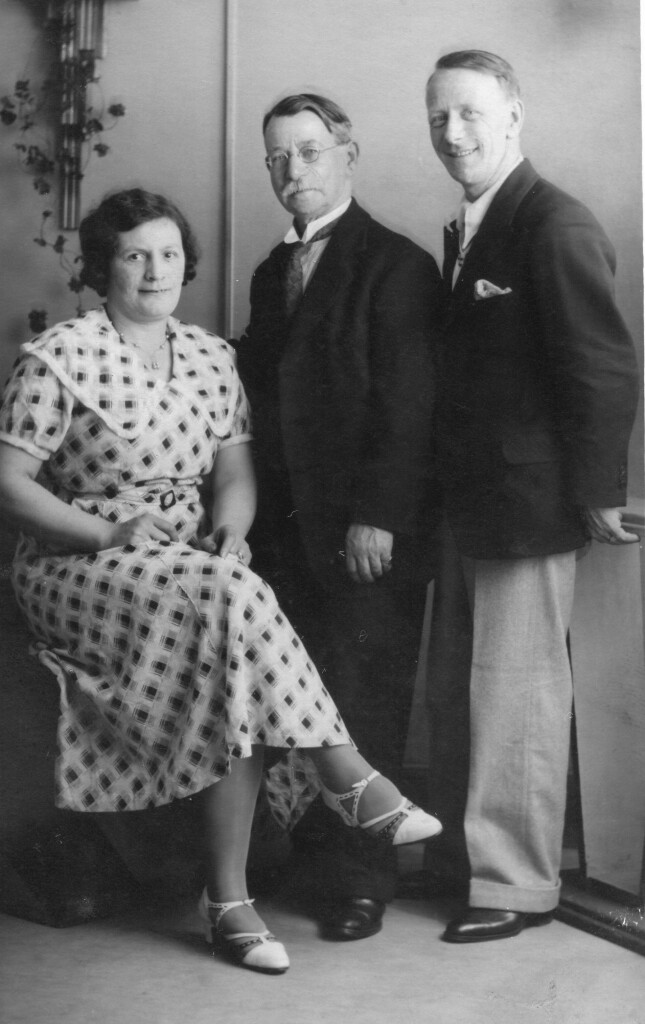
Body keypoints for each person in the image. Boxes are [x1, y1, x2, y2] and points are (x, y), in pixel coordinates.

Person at [0, 187, 443, 974]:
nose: (155, 270)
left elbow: (235, 474)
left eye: (169, 254)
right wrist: (109, 532)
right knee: (231, 599)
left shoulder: (209, 358)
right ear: (102, 267)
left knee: (228, 626)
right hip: (78, 561)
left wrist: (232, 531)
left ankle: (230, 903)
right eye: (134, 255)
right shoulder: (59, 355)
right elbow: (9, 484)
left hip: (188, 565)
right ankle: (342, 777)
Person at [423, 50, 639, 942]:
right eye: (438, 117)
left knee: (517, 696)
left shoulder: (552, 222)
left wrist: (595, 493)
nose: (452, 133)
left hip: (529, 504)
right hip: (474, 501)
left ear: (513, 117)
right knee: (476, 694)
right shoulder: (474, 223)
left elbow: (601, 367)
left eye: (470, 114)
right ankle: (475, 866)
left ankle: (515, 887)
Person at [234, 94, 443, 940]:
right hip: (285, 534)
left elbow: (409, 406)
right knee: (298, 705)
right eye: (278, 157)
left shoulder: (397, 265)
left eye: (310, 151)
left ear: (347, 154)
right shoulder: (268, 272)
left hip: (365, 533)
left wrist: (377, 516)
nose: (294, 170)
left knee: (362, 698)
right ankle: (306, 863)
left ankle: (362, 882)